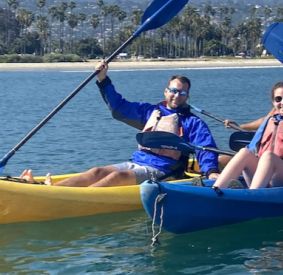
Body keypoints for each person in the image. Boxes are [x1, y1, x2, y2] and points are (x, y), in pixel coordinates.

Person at [21, 61, 219, 187]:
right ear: (166, 91)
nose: (177, 95)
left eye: (182, 92)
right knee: (97, 172)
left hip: (163, 170)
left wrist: (211, 172)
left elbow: (206, 148)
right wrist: (103, 80)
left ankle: (69, 199)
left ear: (187, 96)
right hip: (138, 161)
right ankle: (51, 190)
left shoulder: (193, 122)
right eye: (173, 90)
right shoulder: (150, 112)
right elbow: (119, 108)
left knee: (117, 177)